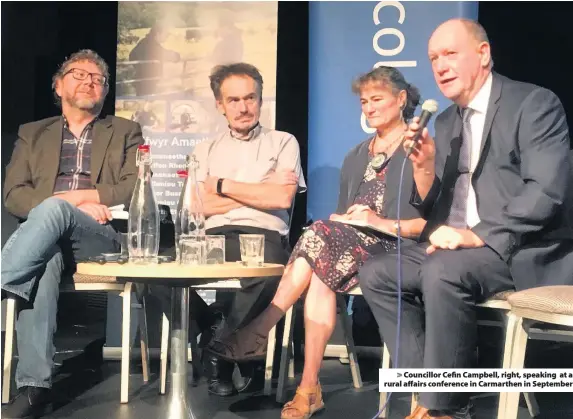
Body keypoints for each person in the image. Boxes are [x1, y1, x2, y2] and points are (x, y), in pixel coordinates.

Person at [359, 19, 573, 419]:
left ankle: (446, 408)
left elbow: (547, 191)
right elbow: (433, 207)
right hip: (458, 249)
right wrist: (423, 169)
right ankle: (430, 393)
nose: (439, 66)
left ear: (483, 55)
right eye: (433, 58)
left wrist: (477, 236)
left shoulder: (533, 104)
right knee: (378, 273)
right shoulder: (445, 122)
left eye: (450, 54)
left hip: (520, 247)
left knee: (444, 270)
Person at [206, 66, 428, 419]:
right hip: (349, 250)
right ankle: (308, 387)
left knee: (320, 242)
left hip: (399, 249)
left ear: (401, 100)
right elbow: (342, 216)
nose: (369, 108)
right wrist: (345, 220)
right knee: (323, 260)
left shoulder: (421, 150)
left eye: (377, 100)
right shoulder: (357, 154)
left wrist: (376, 221)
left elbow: (430, 223)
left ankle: (265, 327)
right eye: (364, 102)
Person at [1, 49, 144, 419]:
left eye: (98, 79)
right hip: (45, 240)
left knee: (54, 208)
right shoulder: (33, 134)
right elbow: (13, 194)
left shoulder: (126, 131)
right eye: (80, 74)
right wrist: (61, 207)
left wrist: (75, 200)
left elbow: (134, 187)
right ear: (58, 84)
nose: (90, 82)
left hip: (99, 236)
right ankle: (34, 388)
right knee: (43, 261)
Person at [187, 62, 306, 396]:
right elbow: (199, 205)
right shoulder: (204, 150)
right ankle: (214, 327)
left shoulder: (283, 142)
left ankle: (218, 352)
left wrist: (221, 185)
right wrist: (258, 190)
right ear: (220, 105)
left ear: (260, 99)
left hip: (264, 235)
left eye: (250, 98)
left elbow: (282, 196)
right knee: (152, 279)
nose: (243, 107)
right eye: (234, 100)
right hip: (213, 236)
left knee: (268, 273)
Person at [129, 23, 181, 96]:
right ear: (158, 33)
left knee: (144, 101)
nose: (166, 37)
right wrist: (177, 56)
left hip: (143, 81)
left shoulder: (144, 41)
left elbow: (132, 55)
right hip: (148, 82)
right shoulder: (152, 44)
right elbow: (165, 54)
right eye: (166, 35)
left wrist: (140, 68)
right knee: (148, 101)